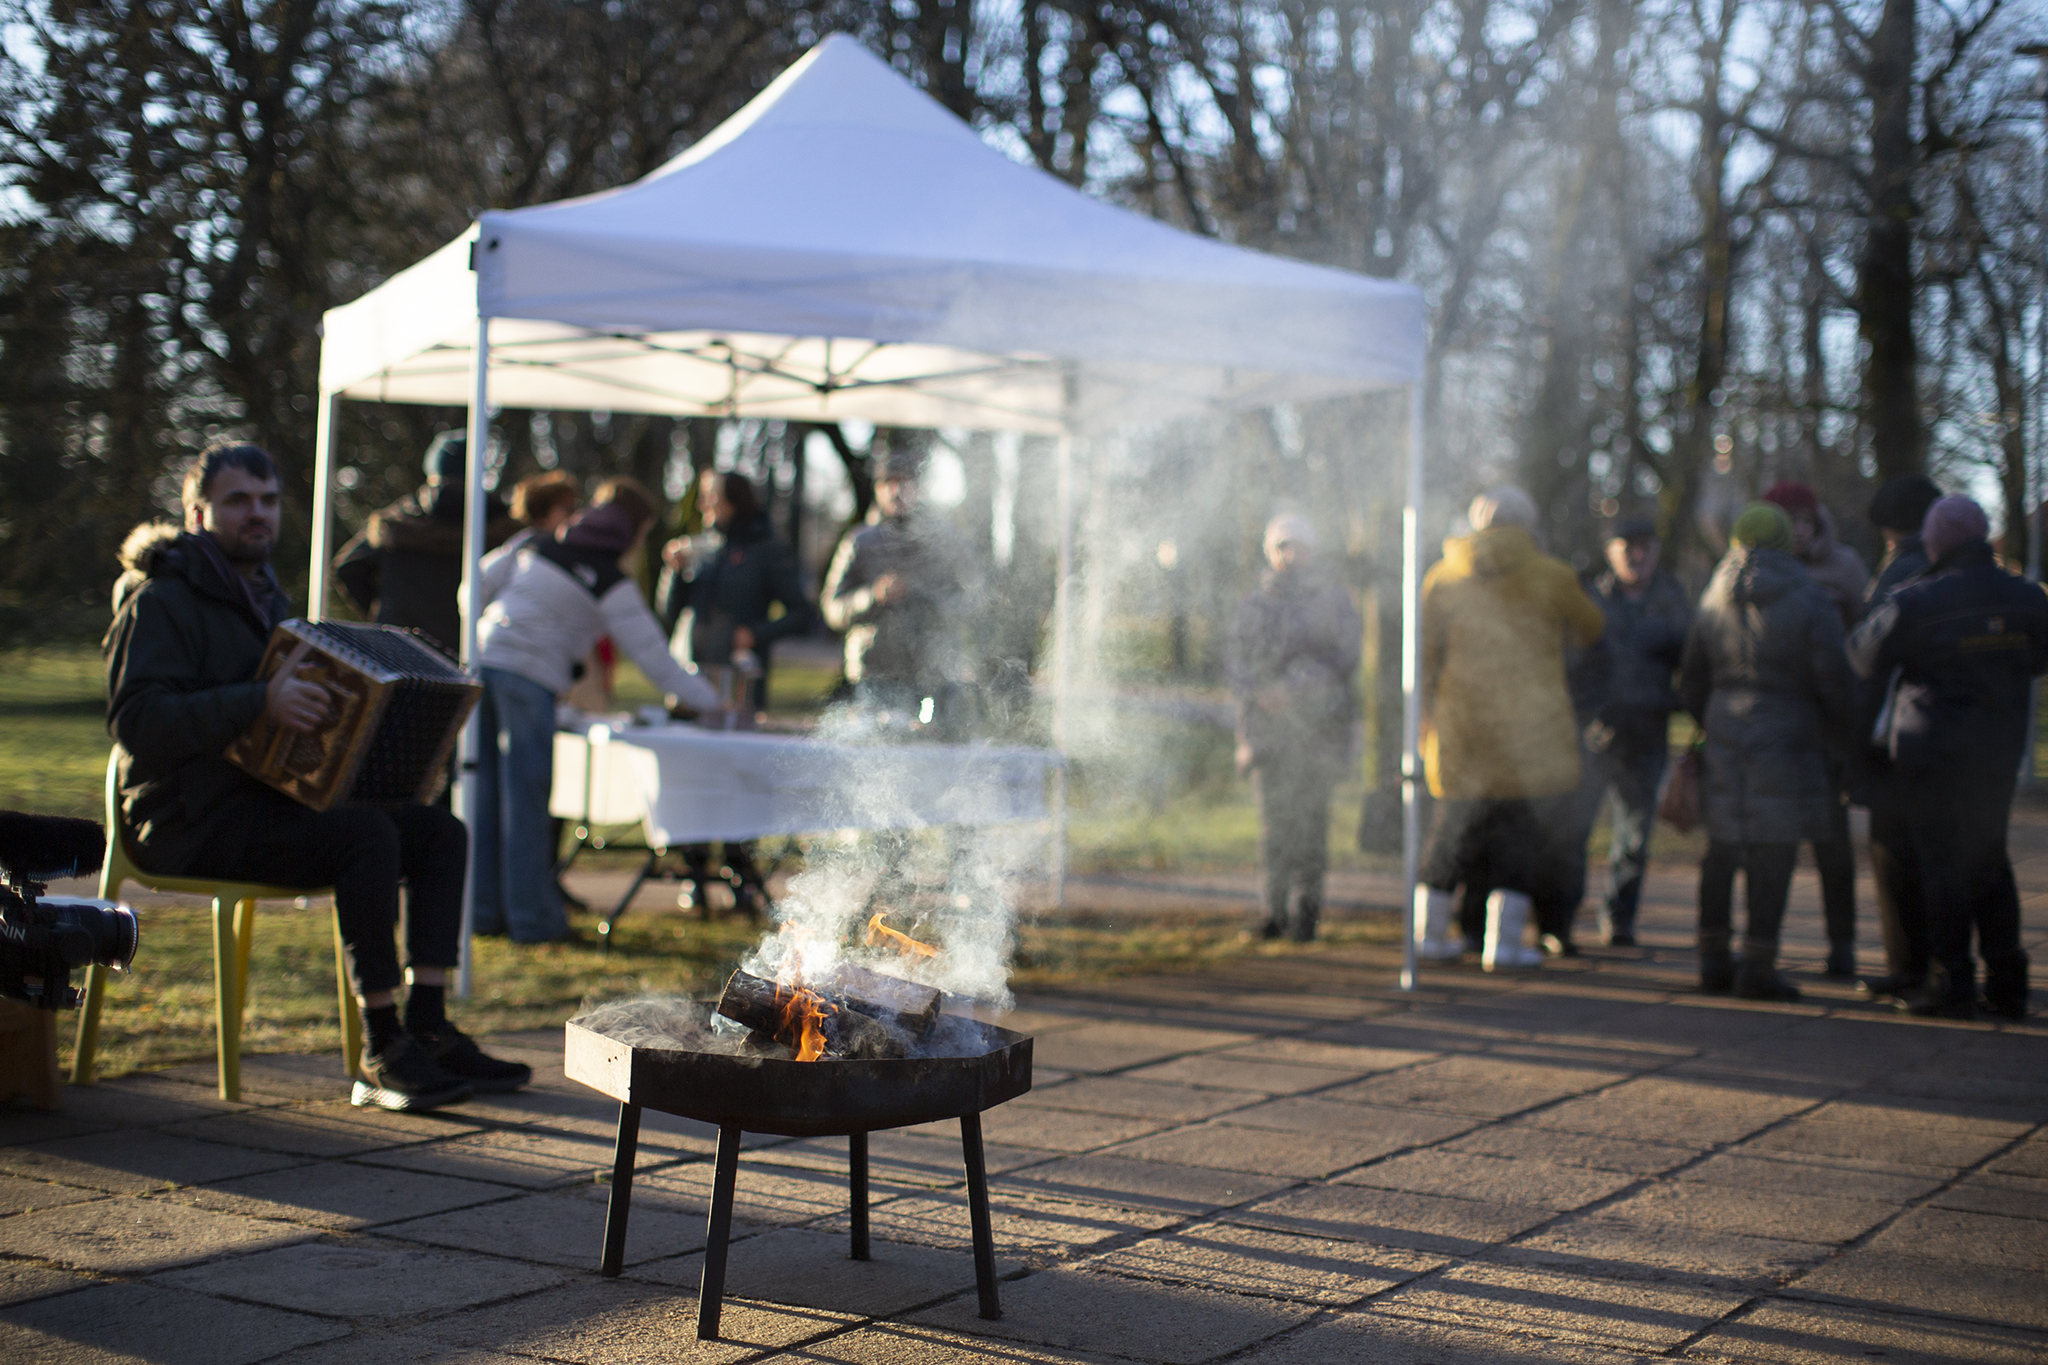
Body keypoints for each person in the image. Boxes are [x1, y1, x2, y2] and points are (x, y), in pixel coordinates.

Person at [105, 441, 529, 1111]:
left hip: (263, 803)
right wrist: (258, 701)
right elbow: (137, 722)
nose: (257, 514)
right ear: (195, 513)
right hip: (185, 820)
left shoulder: (266, 595)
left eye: (268, 501)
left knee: (436, 831)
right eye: (238, 500)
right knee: (363, 837)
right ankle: (383, 1044)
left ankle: (428, 1023)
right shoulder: (160, 600)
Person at [471, 477, 721, 943]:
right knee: (525, 804)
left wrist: (490, 631)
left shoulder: (537, 544)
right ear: (632, 531)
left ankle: (483, 912)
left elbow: (475, 586)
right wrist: (714, 702)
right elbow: (657, 661)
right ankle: (532, 921)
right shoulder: (609, 580)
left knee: (483, 796)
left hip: (483, 664)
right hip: (528, 679)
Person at [1846, 496, 2048, 1020]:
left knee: (1941, 866)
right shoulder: (2028, 598)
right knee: (1990, 859)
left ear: (1936, 542)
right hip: (1996, 752)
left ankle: (1950, 982)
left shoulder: (1916, 601)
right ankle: (2008, 982)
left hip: (1930, 752)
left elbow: (1862, 655)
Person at [1412, 487, 1604, 970]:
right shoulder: (1553, 575)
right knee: (1520, 837)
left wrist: (1427, 720)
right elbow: (1593, 629)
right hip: (1529, 732)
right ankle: (1504, 944)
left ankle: (1428, 936)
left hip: (1460, 729)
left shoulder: (1443, 577)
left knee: (1451, 832)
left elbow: (1424, 656)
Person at [1678, 502, 1854, 1001]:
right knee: (1772, 850)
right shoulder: (1808, 596)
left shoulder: (1713, 594)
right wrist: (1839, 734)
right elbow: (1834, 680)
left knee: (1721, 848)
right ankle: (1757, 967)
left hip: (1725, 732)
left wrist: (1711, 719)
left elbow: (1691, 677)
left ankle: (1712, 961)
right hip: (1789, 737)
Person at [1226, 514, 1364, 942]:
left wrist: (1298, 688)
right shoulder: (1253, 604)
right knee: (1274, 827)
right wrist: (1260, 693)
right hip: (1268, 735)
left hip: (1318, 733)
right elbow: (1235, 663)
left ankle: (1307, 916)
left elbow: (1345, 658)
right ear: (1271, 552)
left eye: (1298, 546)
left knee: (1311, 825)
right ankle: (1274, 913)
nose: (1290, 555)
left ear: (1312, 551)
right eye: (1282, 547)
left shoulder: (1335, 601)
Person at [1762, 480, 1869, 977]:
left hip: (1826, 725)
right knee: (1772, 845)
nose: (1799, 531)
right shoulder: (1755, 568)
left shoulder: (1844, 566)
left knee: (1832, 845)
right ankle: (1764, 948)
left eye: (1805, 520)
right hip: (1775, 730)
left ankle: (1842, 943)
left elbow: (1866, 637)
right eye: (1789, 522)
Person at [1578, 512, 1691, 947]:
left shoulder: (1672, 598)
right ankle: (1559, 919)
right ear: (1610, 553)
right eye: (1628, 547)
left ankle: (1619, 918)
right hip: (1597, 731)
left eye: (1645, 546)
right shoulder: (1591, 597)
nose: (1637, 555)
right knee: (1575, 827)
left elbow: (1692, 657)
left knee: (1635, 834)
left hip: (1647, 728)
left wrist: (1679, 702)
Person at [1853, 473, 1943, 1001]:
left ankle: (1910, 966)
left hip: (1894, 732)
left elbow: (1870, 657)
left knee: (1895, 854)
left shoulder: (1900, 572)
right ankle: (1926, 964)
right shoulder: (1934, 565)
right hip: (1930, 728)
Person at [332, 431, 518, 656]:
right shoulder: (501, 522)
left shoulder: (399, 517)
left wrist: (382, 610)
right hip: (466, 648)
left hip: (398, 645)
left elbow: (348, 567)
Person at [820, 447, 972, 715]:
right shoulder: (859, 542)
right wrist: (873, 595)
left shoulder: (943, 541)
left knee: (926, 740)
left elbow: (971, 599)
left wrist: (927, 601)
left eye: (903, 482)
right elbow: (832, 609)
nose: (895, 491)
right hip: (874, 678)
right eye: (887, 483)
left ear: (918, 487)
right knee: (878, 749)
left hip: (931, 678)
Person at [658, 470, 817, 712]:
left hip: (738, 683)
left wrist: (754, 635)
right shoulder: (700, 548)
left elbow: (802, 615)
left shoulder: (767, 549)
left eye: (709, 497)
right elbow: (669, 613)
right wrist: (674, 572)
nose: (701, 505)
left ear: (733, 501)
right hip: (690, 676)